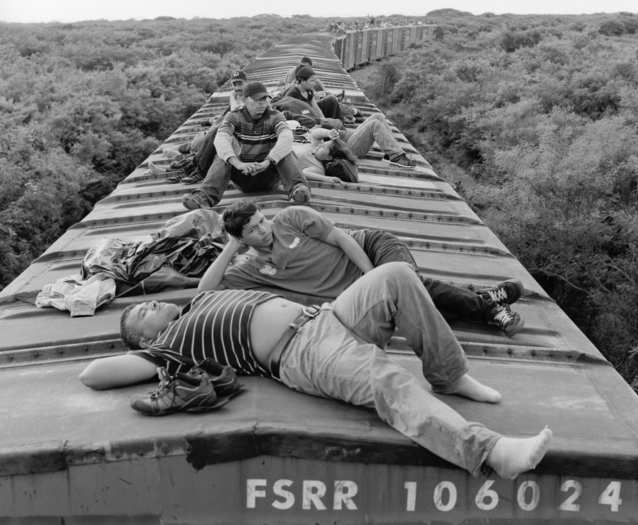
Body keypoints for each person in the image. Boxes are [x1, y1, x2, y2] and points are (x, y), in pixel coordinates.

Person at [79, 263, 552, 479]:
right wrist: (148, 352)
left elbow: (216, 270)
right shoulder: (167, 347)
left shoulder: (200, 299)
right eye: (142, 313)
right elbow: (93, 375)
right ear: (143, 338)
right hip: (300, 353)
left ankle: (449, 375)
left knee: (397, 276)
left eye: (151, 301)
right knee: (385, 379)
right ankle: (490, 451)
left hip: (327, 316)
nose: (154, 304)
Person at [199, 202, 525, 335]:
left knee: (404, 285)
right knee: (409, 307)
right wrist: (230, 247)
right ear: (241, 239)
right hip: (361, 289)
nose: (263, 228)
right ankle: (484, 297)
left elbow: (342, 239)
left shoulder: (289, 219)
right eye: (253, 230)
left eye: (261, 220)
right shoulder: (250, 266)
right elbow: (206, 290)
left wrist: (372, 275)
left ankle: (487, 308)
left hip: (372, 249)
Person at [181, 81, 311, 210]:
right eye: (257, 101)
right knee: (223, 154)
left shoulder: (275, 116)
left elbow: (287, 138)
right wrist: (238, 163)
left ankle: (298, 189)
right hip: (243, 174)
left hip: (268, 173)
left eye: (265, 100)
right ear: (245, 101)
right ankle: (204, 197)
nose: (262, 104)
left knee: (285, 151)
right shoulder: (234, 116)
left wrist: (268, 161)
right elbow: (221, 139)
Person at [295, 113, 417, 177]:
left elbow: (315, 133)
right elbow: (306, 173)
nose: (320, 146)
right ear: (329, 158)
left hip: (344, 138)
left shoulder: (315, 149)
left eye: (323, 145)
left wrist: (329, 133)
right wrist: (328, 179)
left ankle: (389, 151)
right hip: (350, 148)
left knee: (378, 116)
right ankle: (396, 155)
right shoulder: (318, 164)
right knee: (374, 124)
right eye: (323, 147)